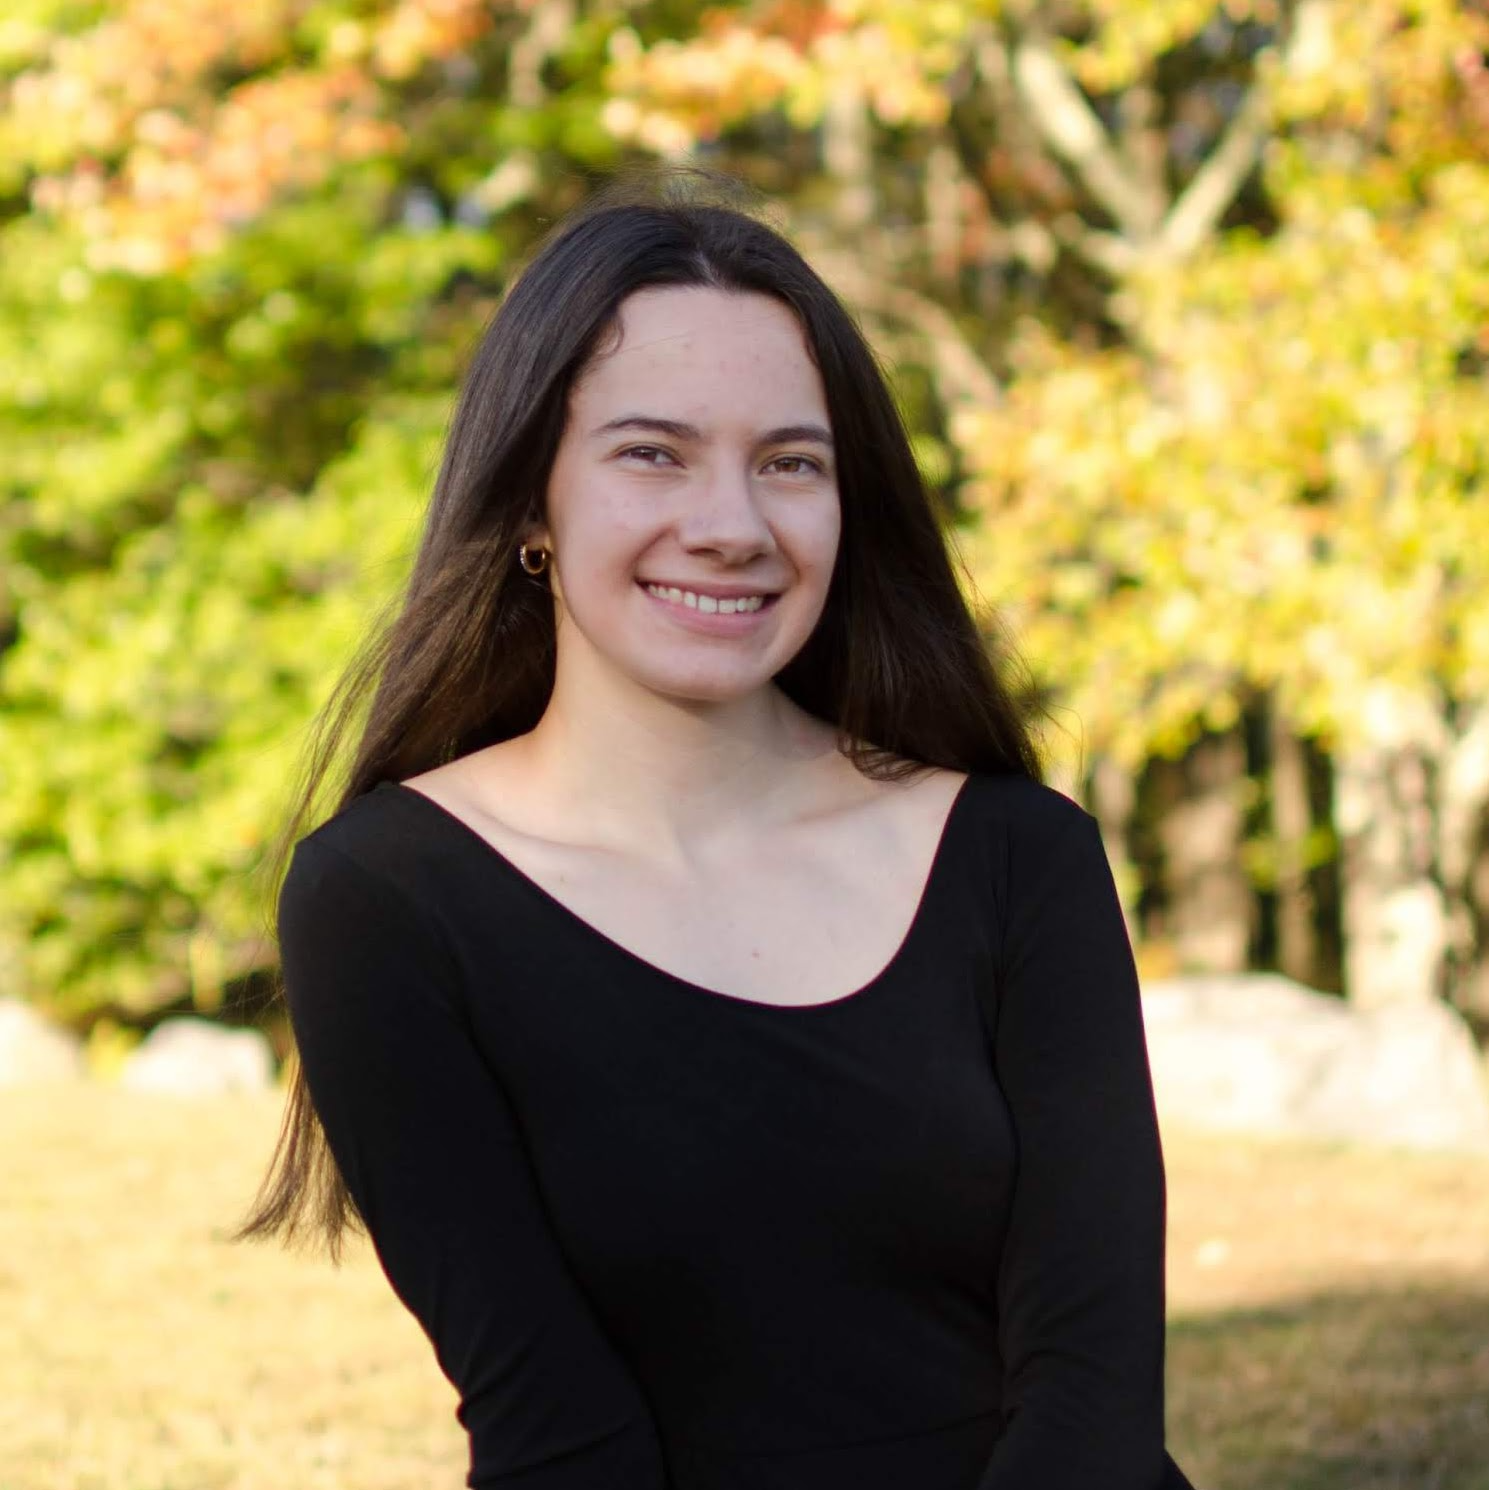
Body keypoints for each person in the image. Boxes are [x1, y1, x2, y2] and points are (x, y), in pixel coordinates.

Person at [233, 170, 1199, 1490]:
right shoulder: (386, 901)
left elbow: (1091, 1406)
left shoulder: (1018, 857)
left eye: (789, 463)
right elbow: (562, 1440)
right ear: (531, 501)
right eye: (652, 452)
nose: (733, 525)